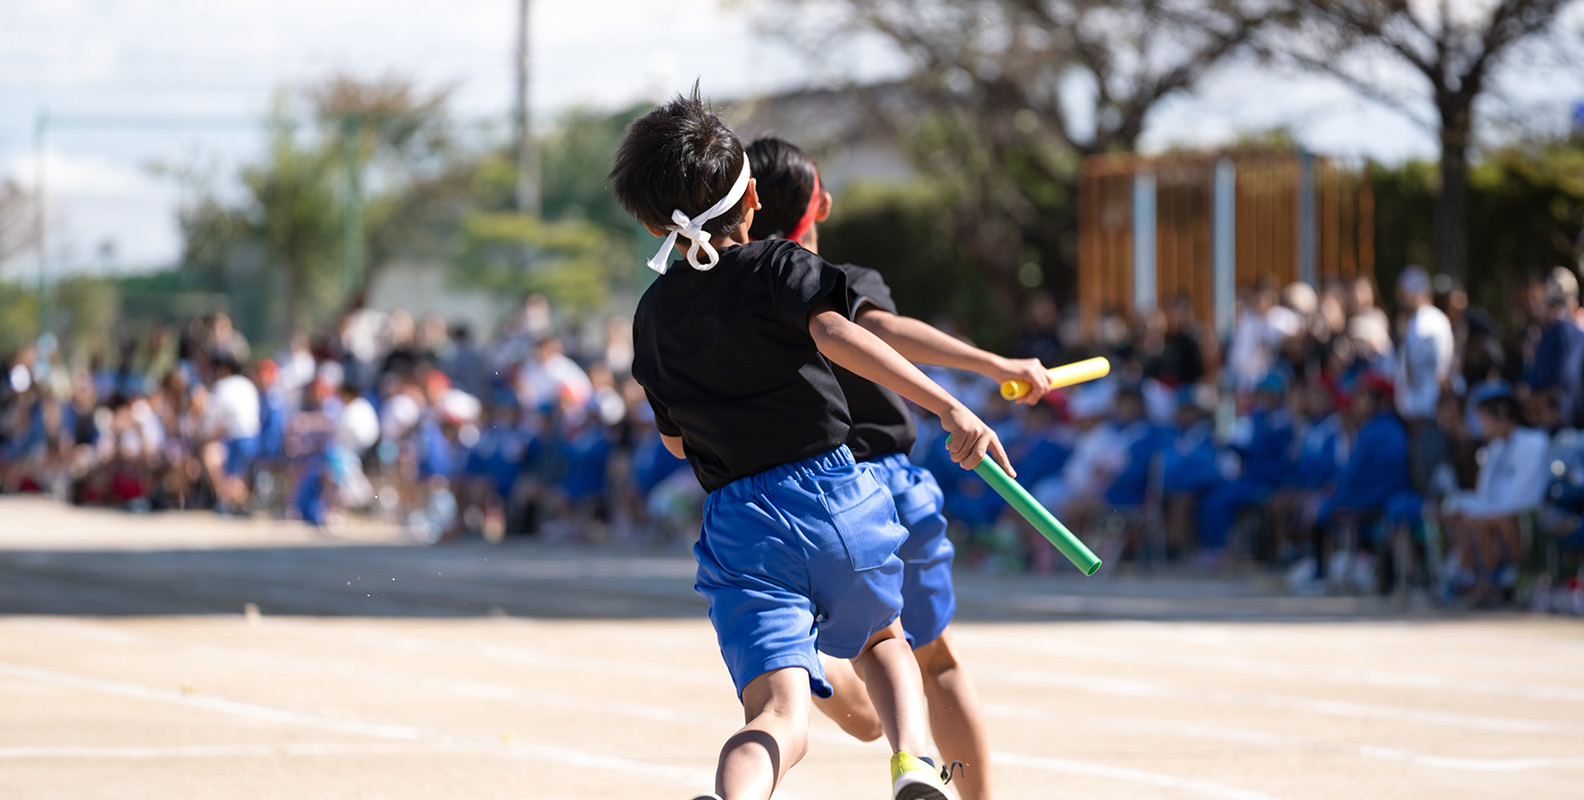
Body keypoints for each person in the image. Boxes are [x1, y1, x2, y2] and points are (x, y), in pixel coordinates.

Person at [611, 88, 1005, 800]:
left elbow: (674, 443)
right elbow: (840, 333)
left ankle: (738, 795)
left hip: (739, 521)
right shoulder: (778, 268)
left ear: (650, 224)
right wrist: (948, 406)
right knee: (884, 638)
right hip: (835, 494)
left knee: (774, 712)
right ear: (752, 198)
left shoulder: (651, 317)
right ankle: (914, 762)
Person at [746, 135, 1052, 800]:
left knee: (850, 699)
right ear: (819, 203)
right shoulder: (845, 284)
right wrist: (995, 366)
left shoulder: (737, 306)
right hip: (888, 486)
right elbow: (883, 330)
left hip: (801, 502)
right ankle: (966, 792)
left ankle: (824, 670)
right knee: (933, 662)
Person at [1440, 392, 1550, 606]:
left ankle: (1498, 580)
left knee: (1484, 521)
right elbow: (1484, 494)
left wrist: (1489, 512)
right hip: (1497, 511)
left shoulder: (1534, 443)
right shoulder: (1494, 449)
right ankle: (1468, 578)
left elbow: (1528, 492)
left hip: (1524, 513)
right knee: (1460, 516)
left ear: (1501, 416)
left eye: (1483, 419)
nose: (1480, 426)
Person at [1393, 267, 1455, 423]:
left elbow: (1440, 372)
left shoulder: (1429, 321)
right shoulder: (1416, 321)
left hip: (1429, 413)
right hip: (1420, 412)